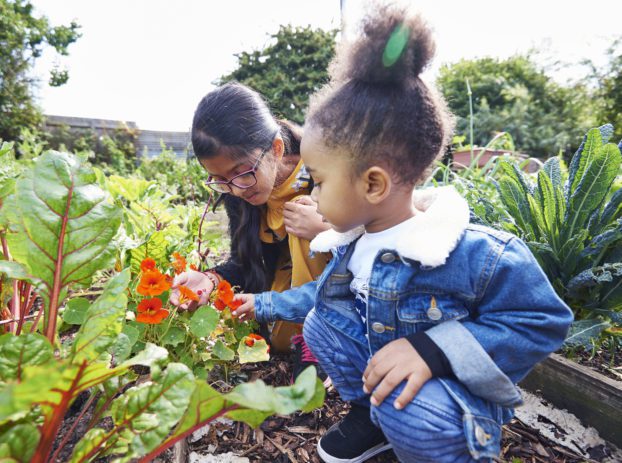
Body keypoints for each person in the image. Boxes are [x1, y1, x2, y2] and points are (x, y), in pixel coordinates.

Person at [231, 5, 574, 463]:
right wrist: (263, 303)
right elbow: (319, 296)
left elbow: (544, 320)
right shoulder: (355, 241)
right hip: (391, 372)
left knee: (410, 410)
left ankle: (432, 444)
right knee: (323, 324)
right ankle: (374, 420)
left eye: (320, 180)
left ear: (373, 183)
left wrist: (435, 350)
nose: (312, 193)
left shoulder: (473, 253)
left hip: (446, 400)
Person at [170, 81, 332, 380]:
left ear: (276, 148)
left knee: (301, 211)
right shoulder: (239, 191)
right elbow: (246, 264)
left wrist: (327, 229)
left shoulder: (325, 165)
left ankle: (318, 338)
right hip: (291, 285)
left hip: (342, 287)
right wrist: (209, 278)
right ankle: (299, 333)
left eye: (241, 172)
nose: (234, 189)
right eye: (219, 179)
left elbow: (378, 230)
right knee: (277, 336)